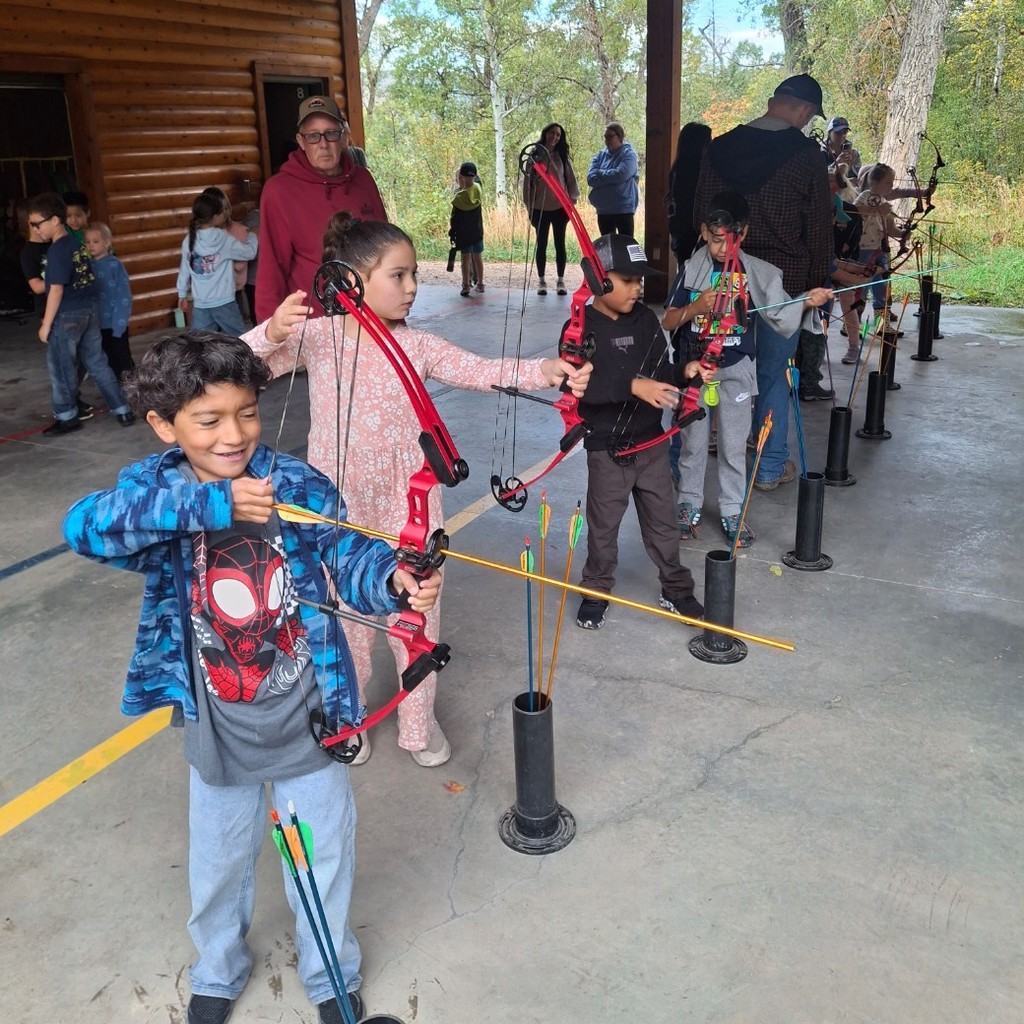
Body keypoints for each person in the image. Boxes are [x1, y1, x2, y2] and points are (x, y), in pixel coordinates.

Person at [63, 331, 440, 1024]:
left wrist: (394, 580)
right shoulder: (155, 490)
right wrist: (214, 505)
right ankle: (217, 968)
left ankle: (331, 977)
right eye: (207, 421)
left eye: (246, 413)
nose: (232, 434)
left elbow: (349, 558)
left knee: (320, 860)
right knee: (218, 866)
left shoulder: (294, 484)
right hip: (219, 723)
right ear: (162, 425)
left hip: (308, 714)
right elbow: (86, 528)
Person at [244, 214, 591, 766]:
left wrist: (548, 368)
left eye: (412, 277)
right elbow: (234, 368)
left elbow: (481, 369)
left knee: (416, 622)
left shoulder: (420, 345)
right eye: (398, 276)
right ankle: (347, 718)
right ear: (351, 279)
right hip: (337, 507)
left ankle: (417, 726)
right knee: (344, 621)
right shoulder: (317, 336)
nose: (412, 289)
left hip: (410, 505)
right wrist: (272, 331)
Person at [664, 193, 832, 547]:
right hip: (696, 370)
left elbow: (781, 312)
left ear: (744, 233)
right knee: (693, 442)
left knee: (733, 444)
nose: (721, 248)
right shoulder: (691, 270)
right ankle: (688, 504)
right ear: (703, 232)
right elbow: (669, 319)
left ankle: (731, 509)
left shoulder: (757, 272)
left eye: (729, 239)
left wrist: (805, 301)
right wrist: (696, 306)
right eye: (713, 239)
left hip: (736, 369)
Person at [694, 73, 832, 491]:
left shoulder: (718, 147)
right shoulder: (807, 156)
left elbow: (700, 213)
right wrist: (814, 290)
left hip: (723, 280)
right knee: (773, 375)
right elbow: (819, 229)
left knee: (714, 367)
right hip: (782, 283)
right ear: (804, 111)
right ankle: (769, 466)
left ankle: (701, 459)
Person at [567, 232, 703, 631]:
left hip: (652, 444)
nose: (637, 286)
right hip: (609, 450)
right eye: (627, 279)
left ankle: (676, 588)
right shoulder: (579, 326)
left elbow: (662, 373)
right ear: (597, 278)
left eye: (639, 279)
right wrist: (631, 385)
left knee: (663, 522)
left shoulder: (644, 319)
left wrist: (685, 372)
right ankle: (596, 590)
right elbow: (580, 387)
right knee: (603, 528)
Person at [256, 96, 386, 320]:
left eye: (331, 133)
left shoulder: (363, 180)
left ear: (343, 135)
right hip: (317, 325)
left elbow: (387, 249)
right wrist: (269, 337)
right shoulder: (280, 190)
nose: (323, 144)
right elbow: (271, 271)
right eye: (313, 136)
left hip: (372, 318)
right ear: (301, 141)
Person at [26, 192, 135, 435]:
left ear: (54, 220)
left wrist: (46, 324)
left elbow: (55, 289)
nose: (36, 230)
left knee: (61, 367)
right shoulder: (77, 245)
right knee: (98, 363)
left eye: (37, 224)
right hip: (89, 312)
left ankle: (67, 416)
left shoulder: (56, 251)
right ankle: (122, 409)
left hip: (67, 316)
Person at [177, 192, 258, 337]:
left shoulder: (188, 240)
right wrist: (252, 236)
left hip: (201, 304)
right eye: (222, 211)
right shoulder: (223, 239)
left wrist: (182, 294)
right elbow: (249, 253)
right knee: (239, 339)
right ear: (215, 217)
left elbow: (184, 270)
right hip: (225, 302)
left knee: (200, 343)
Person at [522, 123, 580, 296]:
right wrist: (529, 206)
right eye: (552, 133)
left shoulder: (562, 157)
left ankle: (560, 281)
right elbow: (528, 184)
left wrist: (571, 202)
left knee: (559, 244)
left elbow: (571, 181)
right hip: (539, 208)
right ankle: (541, 281)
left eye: (558, 135)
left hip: (560, 208)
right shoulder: (534, 156)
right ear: (545, 133)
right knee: (541, 245)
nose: (554, 137)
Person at [84, 221, 135, 380]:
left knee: (122, 359)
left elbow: (124, 296)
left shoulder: (115, 265)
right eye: (87, 242)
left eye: (96, 241)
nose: (91, 245)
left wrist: (119, 323)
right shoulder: (86, 267)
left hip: (115, 323)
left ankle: (134, 390)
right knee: (106, 360)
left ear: (107, 243)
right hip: (96, 324)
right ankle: (116, 394)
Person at [202, 186, 252, 324]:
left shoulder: (237, 231)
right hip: (208, 294)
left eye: (226, 208)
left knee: (233, 335)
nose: (225, 213)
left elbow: (243, 260)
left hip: (231, 293)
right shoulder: (201, 235)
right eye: (220, 210)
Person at [667, 122, 712, 266]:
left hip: (681, 233)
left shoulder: (677, 169)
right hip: (693, 233)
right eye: (708, 141)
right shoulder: (697, 172)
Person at [586, 123, 639, 236]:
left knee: (626, 246)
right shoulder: (599, 156)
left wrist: (600, 173)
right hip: (604, 210)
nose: (606, 140)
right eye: (605, 137)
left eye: (610, 136)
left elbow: (621, 175)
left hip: (623, 209)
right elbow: (590, 179)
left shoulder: (629, 155)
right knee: (607, 247)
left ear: (619, 136)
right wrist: (612, 176)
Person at [449, 161, 484, 297]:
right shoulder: (478, 190)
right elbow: (477, 182)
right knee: (477, 258)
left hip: (464, 234)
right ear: (474, 176)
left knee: (465, 259)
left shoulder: (459, 198)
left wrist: (453, 232)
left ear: (461, 178)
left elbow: (455, 218)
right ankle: (480, 283)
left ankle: (466, 285)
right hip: (477, 232)